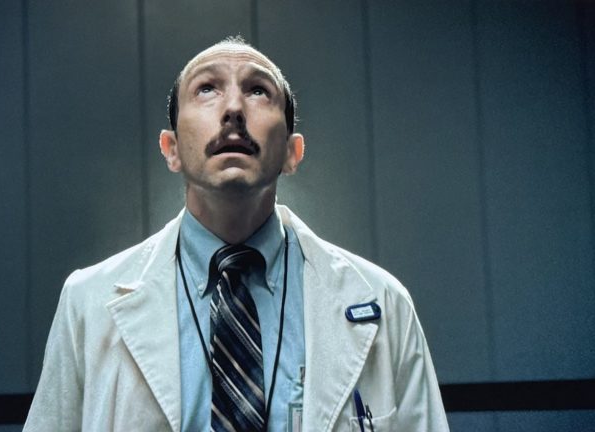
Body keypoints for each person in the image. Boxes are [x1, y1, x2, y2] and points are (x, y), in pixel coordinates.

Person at [23, 37, 448, 431]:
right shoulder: (87, 302)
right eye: (206, 88)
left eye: (258, 90)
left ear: (292, 152)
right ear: (171, 149)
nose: (233, 109)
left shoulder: (383, 302)